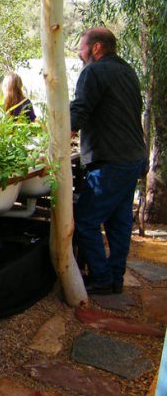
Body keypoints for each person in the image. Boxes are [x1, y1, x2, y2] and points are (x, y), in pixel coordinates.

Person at [70, 27, 147, 295]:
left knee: (85, 221)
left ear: (96, 48)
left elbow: (79, 111)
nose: (79, 55)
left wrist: (54, 137)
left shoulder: (94, 71)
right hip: (133, 158)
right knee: (119, 222)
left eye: (81, 48)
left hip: (111, 160)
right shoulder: (127, 71)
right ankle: (115, 278)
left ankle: (102, 278)